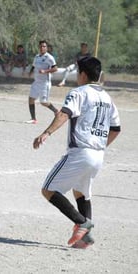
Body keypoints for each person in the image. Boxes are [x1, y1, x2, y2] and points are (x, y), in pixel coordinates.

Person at [33, 56, 121, 248]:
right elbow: (116, 129)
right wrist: (101, 145)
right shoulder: (107, 97)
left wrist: (46, 133)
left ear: (82, 74)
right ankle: (83, 238)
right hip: (98, 155)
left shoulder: (79, 92)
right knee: (81, 192)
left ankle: (82, 223)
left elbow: (64, 113)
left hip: (81, 152)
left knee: (48, 190)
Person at [26, 40, 58, 124]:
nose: (42, 48)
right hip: (36, 82)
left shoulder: (49, 58)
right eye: (40, 46)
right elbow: (33, 66)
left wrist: (45, 71)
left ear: (47, 48)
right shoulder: (37, 57)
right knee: (31, 99)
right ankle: (33, 119)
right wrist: (30, 72)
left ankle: (56, 111)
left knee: (43, 102)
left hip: (45, 83)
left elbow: (55, 68)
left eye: (44, 46)